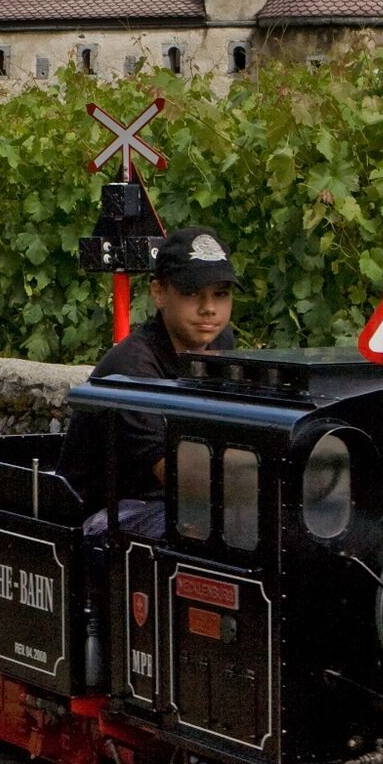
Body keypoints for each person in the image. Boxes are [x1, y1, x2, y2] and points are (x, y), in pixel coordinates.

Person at [60, 227, 239, 535]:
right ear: (158, 293)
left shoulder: (219, 342)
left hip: (177, 501)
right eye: (192, 292)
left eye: (220, 294)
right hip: (110, 513)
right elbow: (181, 478)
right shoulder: (132, 369)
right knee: (209, 530)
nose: (209, 308)